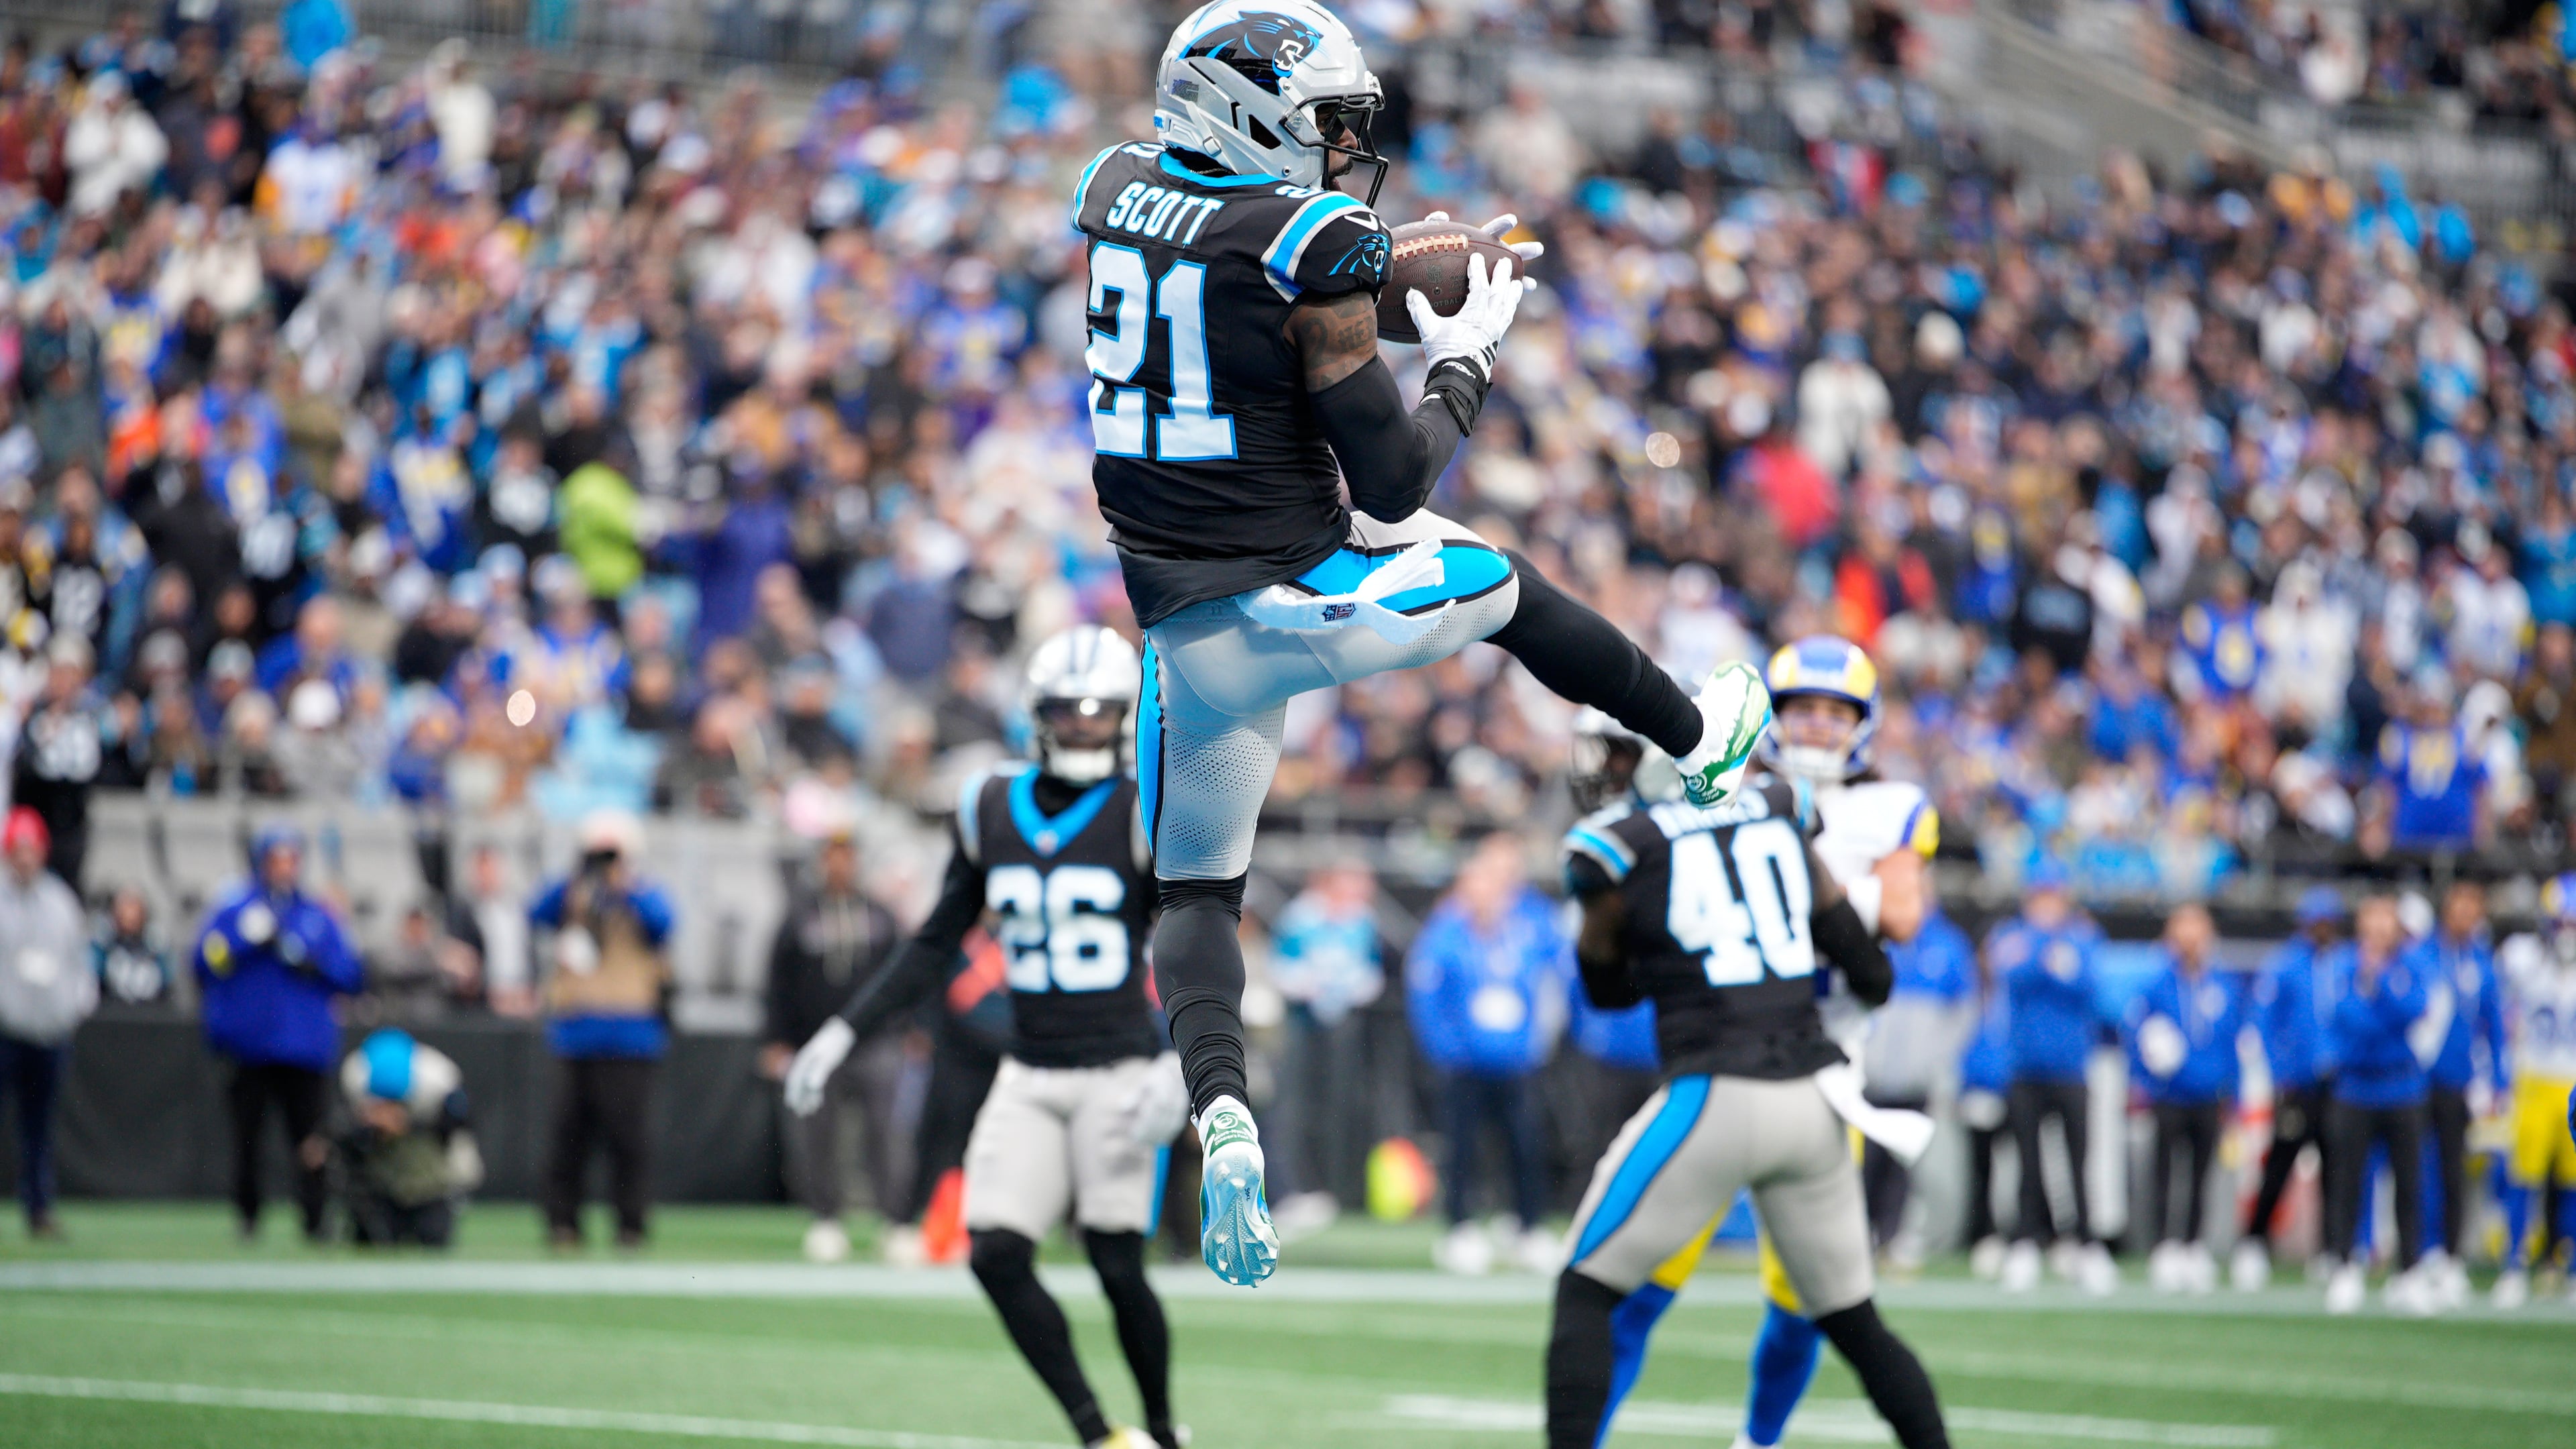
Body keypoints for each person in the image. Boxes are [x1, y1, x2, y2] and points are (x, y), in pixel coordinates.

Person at [1089, 0, 1774, 1283]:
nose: (1348, 146)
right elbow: (1396, 482)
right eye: (1327, 122)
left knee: (1196, 897)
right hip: (1302, 598)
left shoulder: (1118, 187)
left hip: (1179, 631)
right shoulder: (1310, 239)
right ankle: (1698, 741)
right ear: (1244, 113)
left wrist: (1369, 289)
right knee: (1508, 590)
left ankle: (1220, 1111)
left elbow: (1249, 306)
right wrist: (1463, 356)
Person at [784, 628, 1187, 1449]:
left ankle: (1161, 1428)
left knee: (1116, 1263)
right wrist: (844, 1028)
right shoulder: (989, 806)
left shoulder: (1143, 810)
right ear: (1036, 715)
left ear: (1127, 718)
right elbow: (936, 940)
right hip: (1029, 1068)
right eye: (1067, 711)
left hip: (1120, 1067)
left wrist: (1182, 1062)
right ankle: (1097, 1432)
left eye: (1099, 711)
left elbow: (1194, 947)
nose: (1082, 725)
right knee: (994, 1253)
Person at [1548, 773, 1949, 1449]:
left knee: (1586, 1291)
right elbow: (1874, 977)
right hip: (1813, 1100)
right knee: (1856, 1324)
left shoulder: (1620, 844)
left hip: (1715, 1094)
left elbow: (1607, 992)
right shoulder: (1780, 810)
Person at [1727, 637, 1941, 1449]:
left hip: (1826, 1069)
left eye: (1833, 711)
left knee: (1803, 1298)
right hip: (1723, 1048)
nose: (1817, 725)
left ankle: (1758, 1441)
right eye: (1803, 709)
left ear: (1863, 724)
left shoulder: (1893, 807)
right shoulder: (1729, 791)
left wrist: (1791, 877)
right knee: (1636, 1272)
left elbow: (1903, 915)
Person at [1404, 833, 1566, 1275]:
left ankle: (1528, 1226)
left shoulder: (1525, 932)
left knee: (1525, 1146)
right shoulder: (1447, 934)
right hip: (1464, 1064)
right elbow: (1427, 998)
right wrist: (1446, 1049)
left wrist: (1537, 1044)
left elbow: (1548, 987)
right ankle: (1460, 1227)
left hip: (1516, 1061)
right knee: (1462, 1149)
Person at [193, 824, 364, 1242]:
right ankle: (248, 1215)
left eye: (291, 859)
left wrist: (312, 964)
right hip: (249, 1045)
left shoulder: (316, 915)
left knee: (310, 1140)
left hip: (304, 1047)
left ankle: (315, 1218)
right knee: (248, 1136)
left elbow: (351, 974)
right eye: (277, 859)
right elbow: (204, 962)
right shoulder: (236, 910)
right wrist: (243, 942)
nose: (284, 868)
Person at [530, 809, 676, 1249]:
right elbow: (535, 912)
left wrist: (625, 885)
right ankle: (563, 1223)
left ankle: (630, 1224)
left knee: (628, 1140)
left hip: (630, 1035)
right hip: (576, 1032)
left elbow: (664, 923)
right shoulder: (573, 896)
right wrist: (578, 879)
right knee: (568, 1137)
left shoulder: (641, 894)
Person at [762, 822, 904, 1263]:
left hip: (874, 1040)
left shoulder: (880, 915)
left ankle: (895, 1220)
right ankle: (826, 1219)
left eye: (847, 856)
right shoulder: (800, 916)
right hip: (815, 1043)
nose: (840, 864)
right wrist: (777, 1039)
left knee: (885, 1132)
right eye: (832, 856)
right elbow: (778, 982)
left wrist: (910, 1027)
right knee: (817, 1136)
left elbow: (904, 974)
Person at [1988, 859, 2116, 1295]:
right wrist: (2049, 955)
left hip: (2071, 1069)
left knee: (2079, 1162)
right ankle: (2026, 1242)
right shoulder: (2014, 936)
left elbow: (2088, 987)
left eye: (2054, 896)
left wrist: (2050, 960)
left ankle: (2085, 1243)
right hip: (2025, 1069)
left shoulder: (2083, 938)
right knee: (2027, 1164)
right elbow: (2014, 975)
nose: (2047, 905)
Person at [2322, 894, 2436, 1315]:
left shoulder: (2412, 965)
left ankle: (2410, 1272)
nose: (2378, 931)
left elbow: (2414, 1010)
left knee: (2409, 1184)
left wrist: (2379, 983)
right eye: (2371, 923)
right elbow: (2345, 1017)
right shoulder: (2343, 965)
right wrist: (2380, 1010)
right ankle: (2345, 1266)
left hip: (2403, 1089)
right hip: (2355, 1088)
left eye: (2386, 923)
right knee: (2348, 1183)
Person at [2125, 904, 2242, 1295]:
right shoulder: (2157, 985)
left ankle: (2194, 1245)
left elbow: (2233, 1043)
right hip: (2169, 1095)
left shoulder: (2223, 984)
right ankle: (2164, 1246)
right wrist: (2143, 1081)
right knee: (2163, 1173)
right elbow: (2137, 1037)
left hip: (2209, 1095)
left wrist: (2234, 1093)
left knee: (2201, 1175)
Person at [1264, 860, 1385, 1226]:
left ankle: (1339, 1189)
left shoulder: (1362, 921)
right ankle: (1297, 1188)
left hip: (1343, 1027)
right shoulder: (1299, 919)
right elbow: (1279, 968)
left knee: (1342, 1106)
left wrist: (1350, 988)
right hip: (1302, 1026)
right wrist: (1311, 985)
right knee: (1296, 1108)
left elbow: (1372, 973)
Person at [2235, 886, 2341, 1291]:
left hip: (2338, 1085)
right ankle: (2254, 1241)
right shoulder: (2285, 965)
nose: (2322, 928)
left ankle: (2331, 1248)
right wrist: (2282, 1070)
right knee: (2280, 1164)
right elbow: (2262, 1022)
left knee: (2337, 1169)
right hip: (2297, 1085)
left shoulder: (2344, 964)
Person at [0, 807, 95, 1239]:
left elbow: (79, 961)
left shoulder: (60, 901)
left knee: (39, 1128)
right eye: (18, 850)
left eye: (31, 849)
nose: (25, 858)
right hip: (6, 1031)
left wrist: (75, 1005)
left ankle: (39, 1208)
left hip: (49, 1033)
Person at [2414, 878, 2504, 1310]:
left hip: (2457, 1081)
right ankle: (2419, 1252)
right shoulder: (2422, 957)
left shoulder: (2482, 964)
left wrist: (2496, 1080)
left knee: (2453, 1171)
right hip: (2417, 1079)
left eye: (2473, 910)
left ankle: (2449, 1254)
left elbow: (2493, 1026)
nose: (2465, 917)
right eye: (2459, 909)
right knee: (2416, 1169)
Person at [2493, 873, 2576, 1308]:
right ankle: (2514, 1266)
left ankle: (2572, 1269)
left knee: (2574, 1183)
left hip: (2572, 1082)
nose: (2568, 934)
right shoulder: (2523, 959)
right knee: (2523, 1178)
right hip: (2534, 1080)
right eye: (2563, 923)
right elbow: (2498, 1008)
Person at [336, 1028, 482, 1248]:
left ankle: (446, 1199)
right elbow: (347, 1137)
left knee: (434, 1235)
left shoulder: (438, 1080)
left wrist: (410, 1126)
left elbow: (460, 1125)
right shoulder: (356, 1076)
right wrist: (373, 1129)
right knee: (373, 1238)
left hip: (429, 1181)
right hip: (382, 1182)